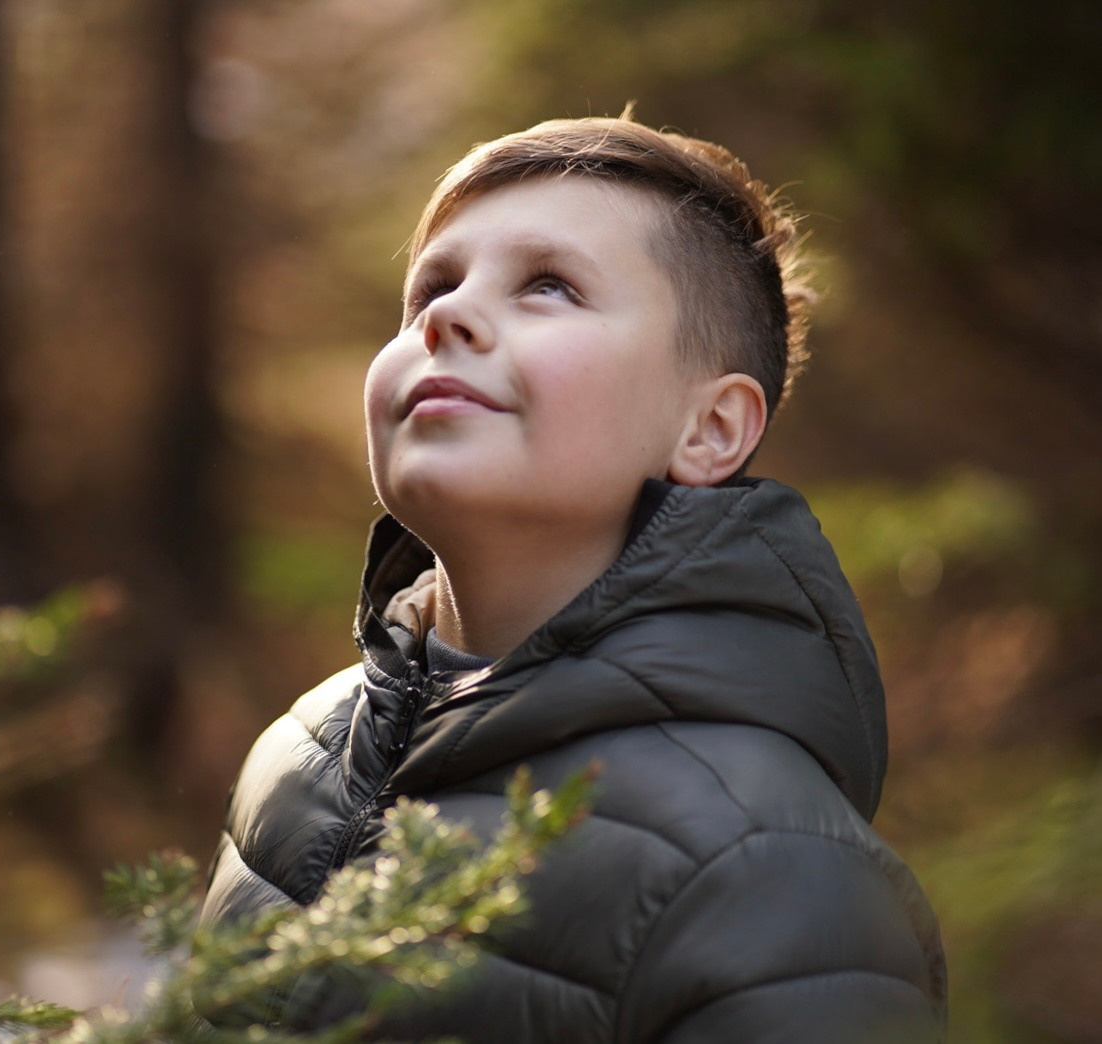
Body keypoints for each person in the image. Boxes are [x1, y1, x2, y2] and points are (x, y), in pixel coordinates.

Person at [200, 112, 948, 1042]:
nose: (446, 314)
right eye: (432, 286)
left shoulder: (775, 868)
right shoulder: (297, 750)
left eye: (549, 286)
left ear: (710, 430)